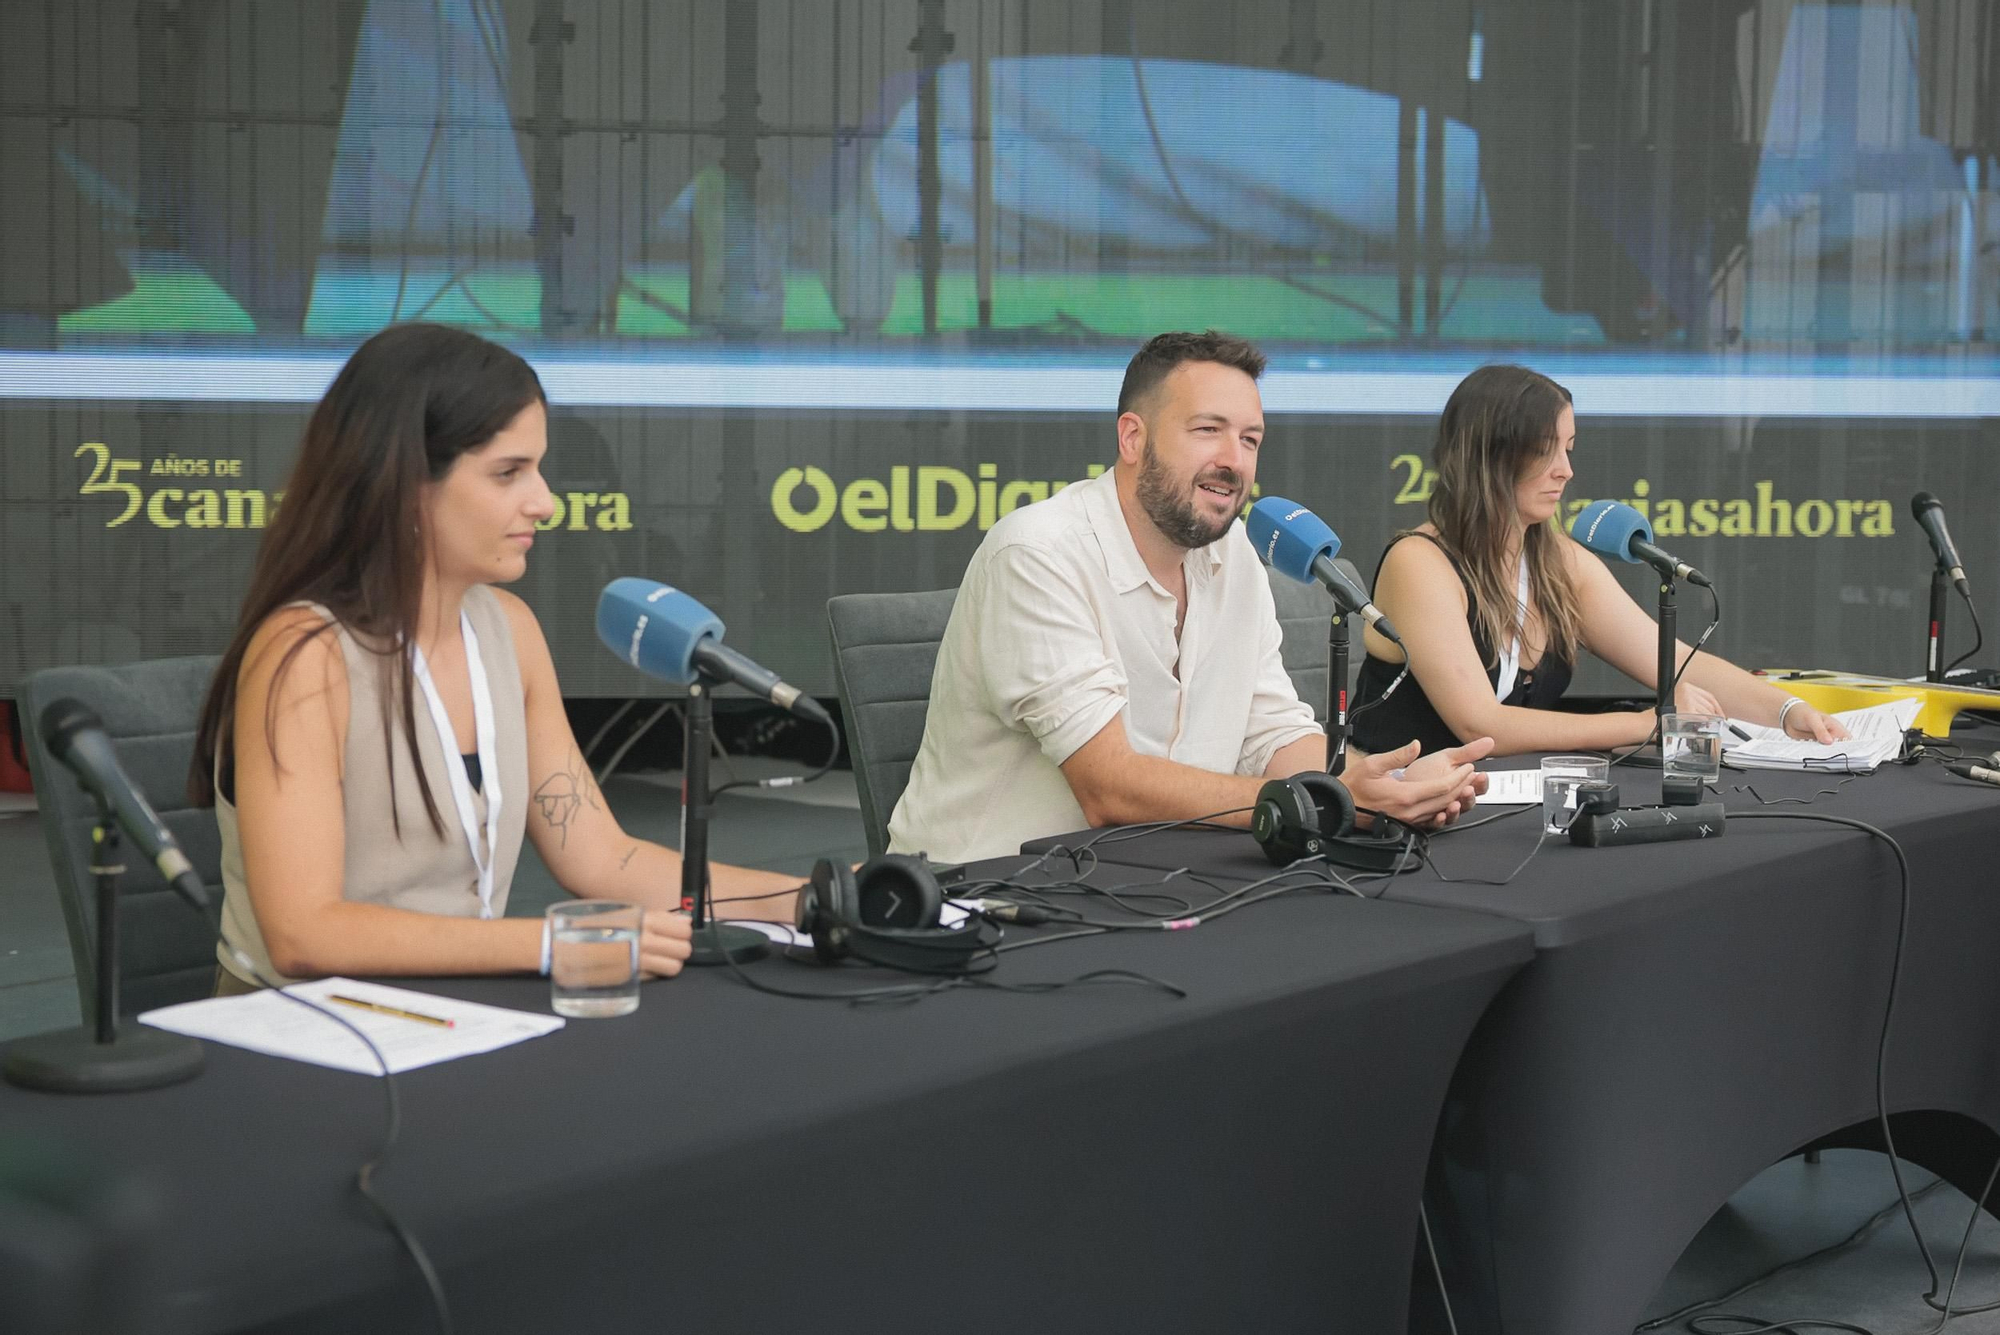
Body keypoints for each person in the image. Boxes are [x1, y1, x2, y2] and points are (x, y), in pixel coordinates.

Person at [189, 324, 800, 993]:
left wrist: (804, 898)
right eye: (508, 473)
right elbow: (304, 933)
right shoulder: (303, 656)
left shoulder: (509, 629)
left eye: (537, 469)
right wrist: (553, 942)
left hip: (459, 1013)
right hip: (304, 1035)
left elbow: (605, 858)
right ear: (405, 486)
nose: (544, 501)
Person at [888, 330, 1490, 866]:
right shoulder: (1037, 555)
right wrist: (1332, 800)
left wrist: (1384, 785)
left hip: (1159, 873)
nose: (1234, 461)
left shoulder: (1235, 562)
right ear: (1132, 437)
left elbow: (1272, 735)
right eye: (1208, 430)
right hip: (988, 890)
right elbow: (1109, 789)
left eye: (1250, 439)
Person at [1350, 363, 1848, 757]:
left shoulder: (1556, 560)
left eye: (1568, 449)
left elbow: (1672, 663)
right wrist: (1644, 725)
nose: (1566, 471)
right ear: (1490, 456)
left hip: (1503, 809)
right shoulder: (1419, 563)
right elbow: (1480, 725)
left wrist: (1786, 711)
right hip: (1403, 813)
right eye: (1547, 451)